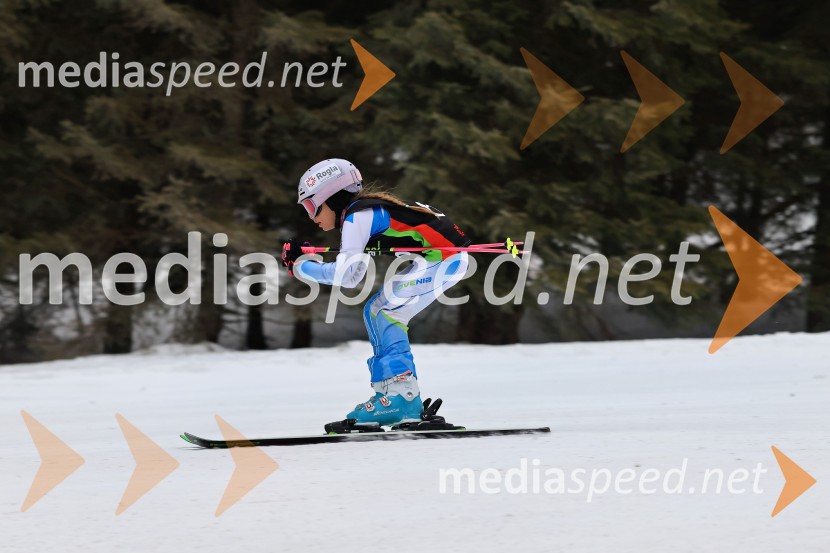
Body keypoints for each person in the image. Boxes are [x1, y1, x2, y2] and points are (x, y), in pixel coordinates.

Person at [282, 158, 471, 431]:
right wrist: (308, 260)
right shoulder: (360, 214)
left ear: (331, 198)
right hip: (439, 258)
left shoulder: (357, 216)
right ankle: (394, 397)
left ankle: (402, 398)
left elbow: (350, 275)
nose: (312, 217)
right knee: (376, 311)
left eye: (312, 206)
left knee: (384, 311)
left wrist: (302, 267)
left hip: (445, 260)